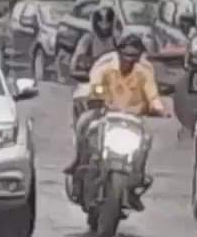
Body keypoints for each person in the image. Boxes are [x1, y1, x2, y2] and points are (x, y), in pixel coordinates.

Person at [65, 34, 170, 208]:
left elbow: (152, 95)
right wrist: (96, 96)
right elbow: (95, 85)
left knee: (145, 141)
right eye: (126, 55)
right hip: (104, 114)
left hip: (132, 119)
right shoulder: (105, 66)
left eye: (133, 56)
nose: (129, 60)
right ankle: (79, 164)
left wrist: (158, 108)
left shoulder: (144, 71)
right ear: (119, 52)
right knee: (84, 122)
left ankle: (137, 180)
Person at [70, 6, 119, 76]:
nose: (104, 26)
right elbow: (75, 61)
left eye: (107, 22)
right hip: (92, 77)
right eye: (101, 22)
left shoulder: (117, 39)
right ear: (95, 23)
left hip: (112, 78)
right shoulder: (88, 39)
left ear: (112, 23)